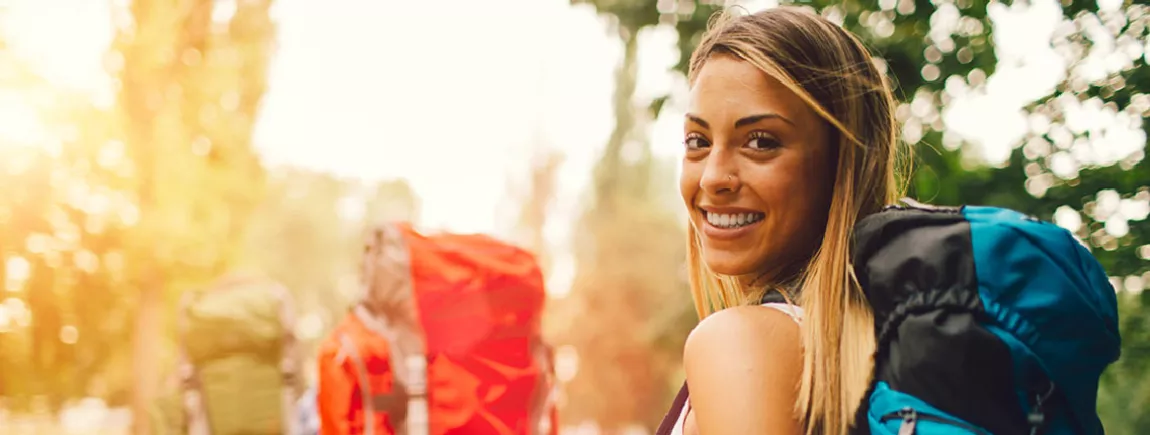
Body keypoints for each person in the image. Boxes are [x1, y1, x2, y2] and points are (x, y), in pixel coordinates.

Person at [664, 6, 904, 435]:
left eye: (761, 141)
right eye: (697, 141)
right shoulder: (881, 348)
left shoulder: (740, 344)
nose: (715, 176)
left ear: (842, 164)